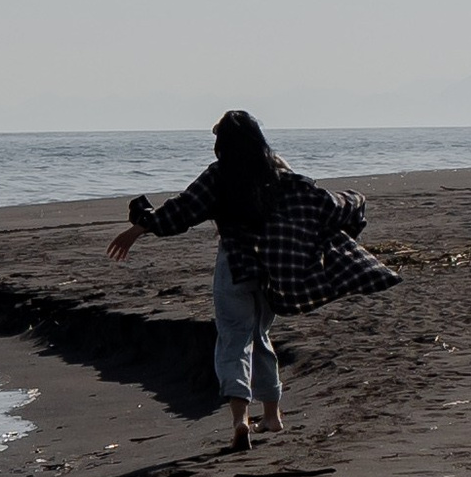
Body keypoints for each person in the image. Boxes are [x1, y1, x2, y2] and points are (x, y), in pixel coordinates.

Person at [111, 109, 397, 452]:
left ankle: (240, 420)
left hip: (234, 266)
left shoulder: (219, 175)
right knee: (260, 336)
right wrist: (356, 202)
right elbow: (324, 202)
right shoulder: (276, 173)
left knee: (234, 339)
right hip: (272, 268)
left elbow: (182, 210)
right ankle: (272, 416)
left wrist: (139, 227)